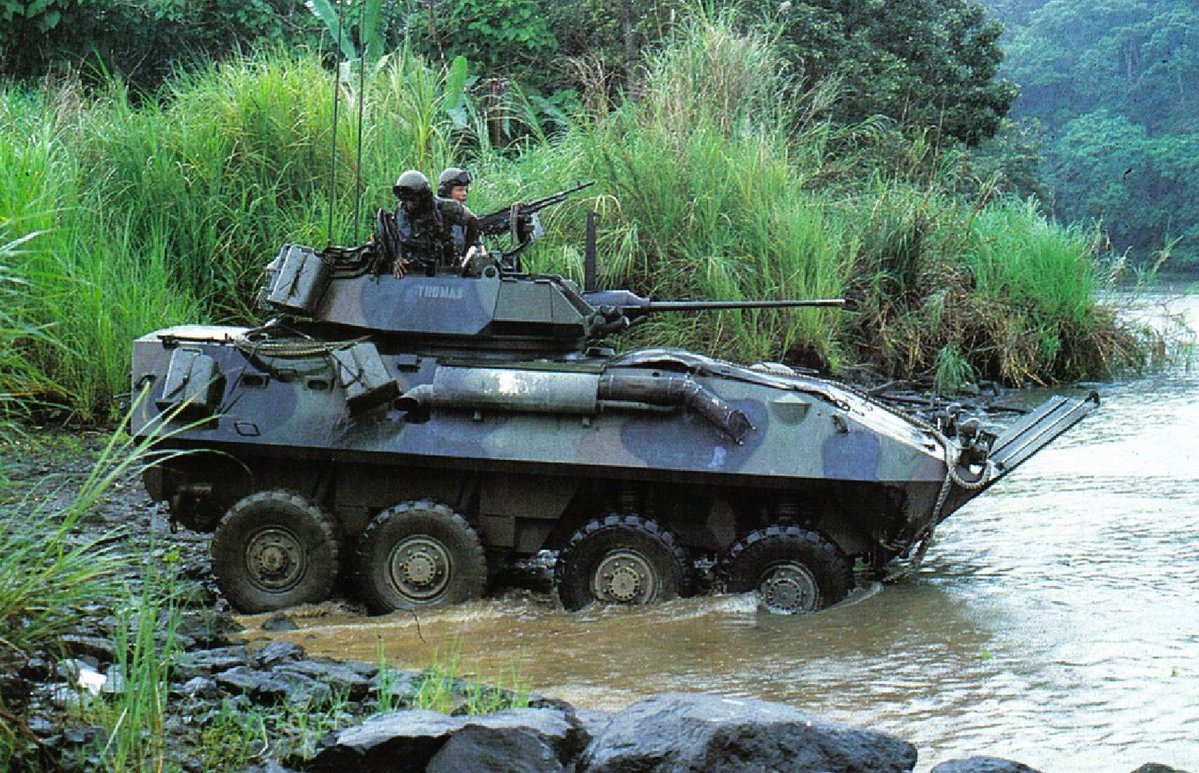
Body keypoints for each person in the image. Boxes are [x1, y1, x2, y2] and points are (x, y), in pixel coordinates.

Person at [387, 169, 480, 278]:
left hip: (445, 269)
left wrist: (467, 251)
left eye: (413, 200)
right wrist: (397, 258)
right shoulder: (400, 214)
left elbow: (473, 221)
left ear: (423, 197)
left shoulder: (444, 207)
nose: (409, 205)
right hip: (415, 271)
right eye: (406, 200)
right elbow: (394, 238)